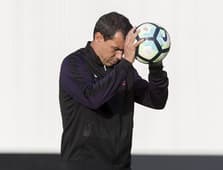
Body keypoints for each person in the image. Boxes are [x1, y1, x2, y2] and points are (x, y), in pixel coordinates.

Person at [59, 11, 169, 170]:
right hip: (81, 165)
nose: (119, 56)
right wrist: (126, 64)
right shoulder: (74, 64)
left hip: (120, 165)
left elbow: (156, 100)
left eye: (123, 51)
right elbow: (93, 98)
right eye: (115, 49)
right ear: (98, 38)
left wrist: (156, 64)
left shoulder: (122, 69)